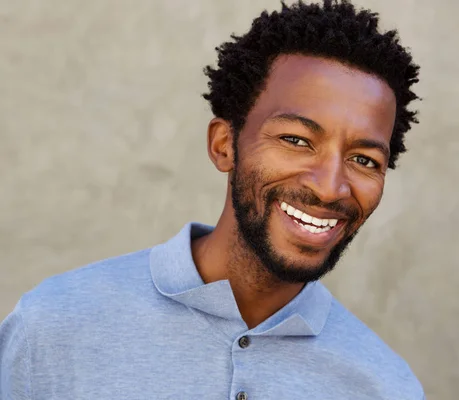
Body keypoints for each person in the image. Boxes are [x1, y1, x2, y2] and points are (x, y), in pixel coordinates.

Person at [0, 1, 423, 398]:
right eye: (296, 140)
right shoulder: (53, 327)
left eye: (364, 160)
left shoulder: (386, 387)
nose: (330, 187)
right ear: (224, 145)